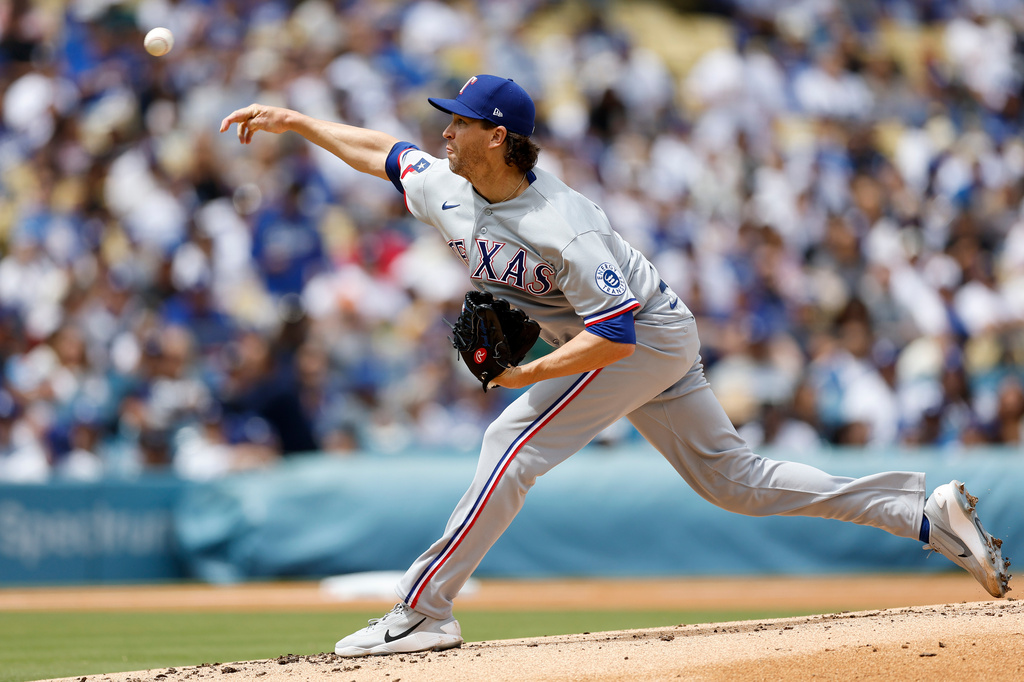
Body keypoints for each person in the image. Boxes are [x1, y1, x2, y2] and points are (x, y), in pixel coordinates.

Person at [220, 74, 1011, 658]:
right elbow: (383, 155)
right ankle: (919, 511)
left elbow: (617, 337)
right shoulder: (450, 187)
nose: (444, 134)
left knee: (511, 445)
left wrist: (527, 377)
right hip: (643, 337)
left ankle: (425, 609)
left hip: (644, 338)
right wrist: (295, 120)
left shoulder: (562, 225)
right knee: (733, 481)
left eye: (458, 123)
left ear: (498, 137)